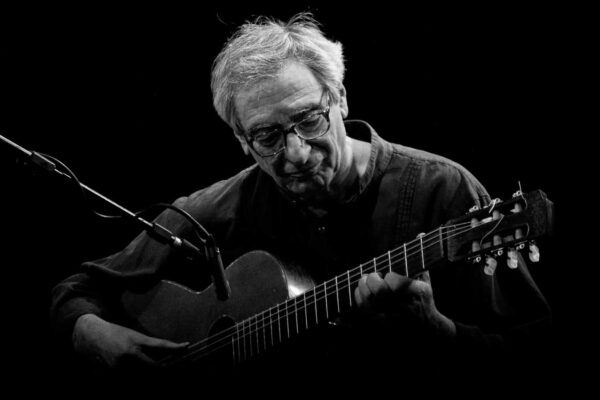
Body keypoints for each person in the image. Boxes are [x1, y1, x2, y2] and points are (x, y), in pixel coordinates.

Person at [50, 13, 551, 394]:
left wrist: (440, 332)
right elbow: (80, 287)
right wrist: (87, 330)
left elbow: (534, 352)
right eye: (267, 136)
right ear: (242, 141)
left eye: (309, 120)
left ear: (341, 100)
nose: (295, 153)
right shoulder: (218, 209)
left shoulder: (442, 190)